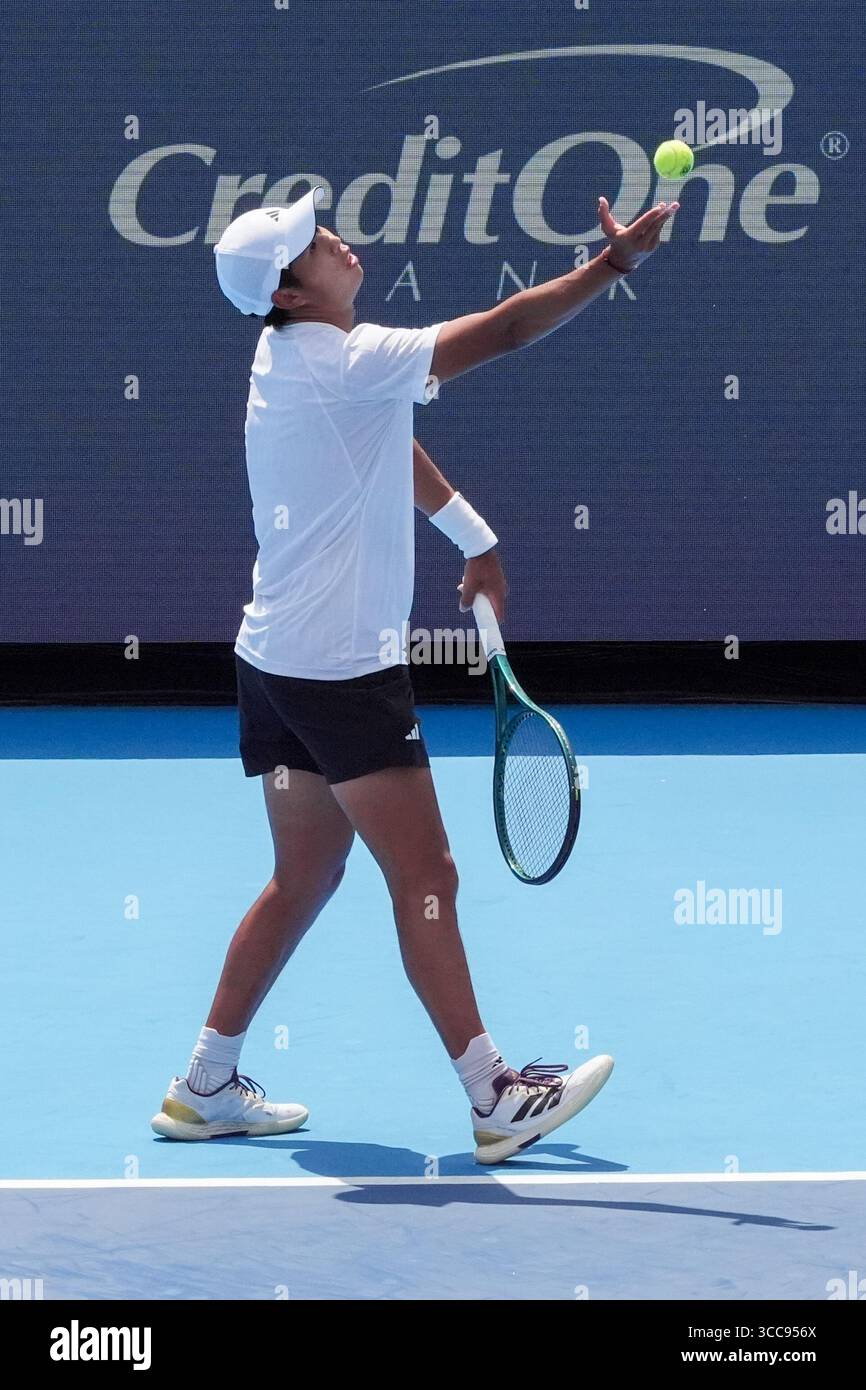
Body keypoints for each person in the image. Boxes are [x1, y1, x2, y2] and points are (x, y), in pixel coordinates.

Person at [151, 186, 678, 1163]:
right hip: (341, 675)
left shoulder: (292, 357)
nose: (337, 241)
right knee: (425, 874)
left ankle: (204, 1081)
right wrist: (611, 267)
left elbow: (382, 436)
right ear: (294, 291)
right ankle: (495, 1096)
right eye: (314, 244)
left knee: (304, 872)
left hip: (271, 663)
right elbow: (507, 328)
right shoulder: (346, 359)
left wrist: (472, 536)